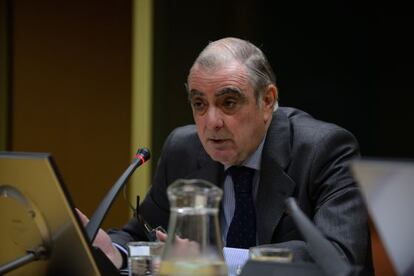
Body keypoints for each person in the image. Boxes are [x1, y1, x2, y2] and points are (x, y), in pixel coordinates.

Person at [78, 37, 372, 273]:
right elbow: (144, 237)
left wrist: (219, 260)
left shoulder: (325, 149)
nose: (211, 122)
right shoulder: (183, 148)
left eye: (229, 102)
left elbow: (339, 257)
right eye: (199, 104)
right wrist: (113, 252)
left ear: (267, 101)